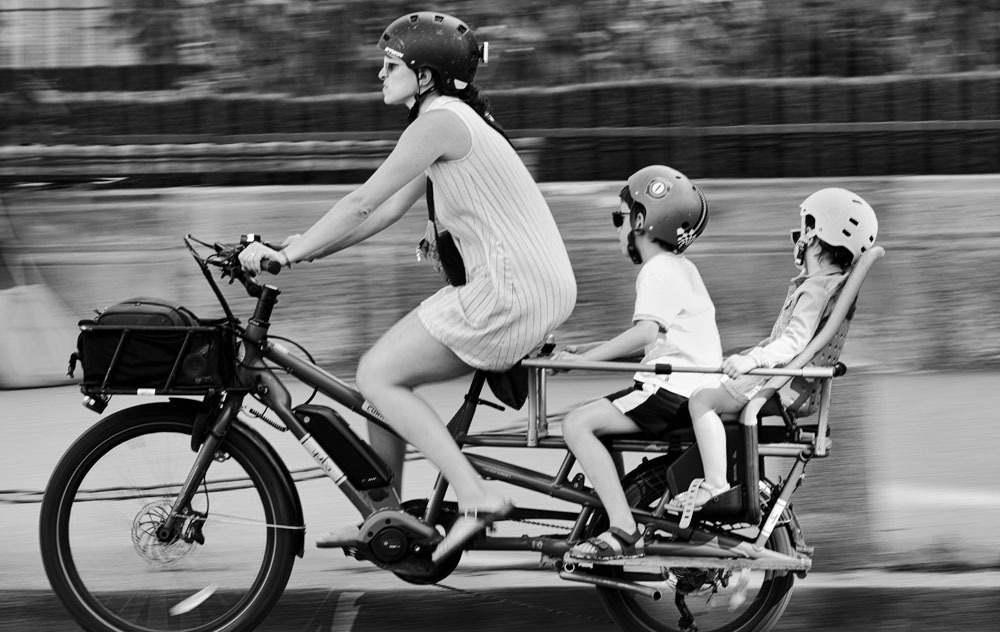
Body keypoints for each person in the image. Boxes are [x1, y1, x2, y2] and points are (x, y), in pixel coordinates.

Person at [238, 11, 576, 560]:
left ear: (424, 75)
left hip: (509, 290)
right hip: (523, 284)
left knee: (377, 375)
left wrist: (287, 255)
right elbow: (384, 211)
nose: (380, 73)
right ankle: (385, 516)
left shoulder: (440, 122)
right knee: (380, 374)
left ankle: (477, 496)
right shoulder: (452, 119)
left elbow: (361, 202)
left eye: (390, 65)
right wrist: (303, 249)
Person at [672, 187, 878, 519]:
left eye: (805, 226)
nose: (799, 235)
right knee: (707, 391)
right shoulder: (826, 284)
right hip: (787, 382)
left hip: (780, 385)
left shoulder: (814, 290)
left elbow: (793, 341)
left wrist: (752, 360)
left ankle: (715, 484)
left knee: (700, 401)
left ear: (816, 234)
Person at [554, 165, 720, 561]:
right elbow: (660, 340)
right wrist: (584, 350)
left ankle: (623, 528)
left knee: (576, 423)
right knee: (594, 418)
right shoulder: (680, 268)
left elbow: (645, 334)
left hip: (670, 391)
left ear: (642, 221)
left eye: (619, 218)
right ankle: (614, 506)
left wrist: (584, 361)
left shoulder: (657, 270)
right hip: (684, 387)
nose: (617, 228)